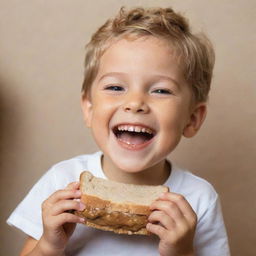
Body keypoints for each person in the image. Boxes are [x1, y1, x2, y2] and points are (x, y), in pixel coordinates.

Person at [7, 6, 230, 256]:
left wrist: (182, 251)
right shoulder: (61, 181)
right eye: (115, 87)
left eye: (161, 90)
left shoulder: (199, 199)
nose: (135, 103)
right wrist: (50, 243)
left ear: (192, 119)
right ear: (89, 109)